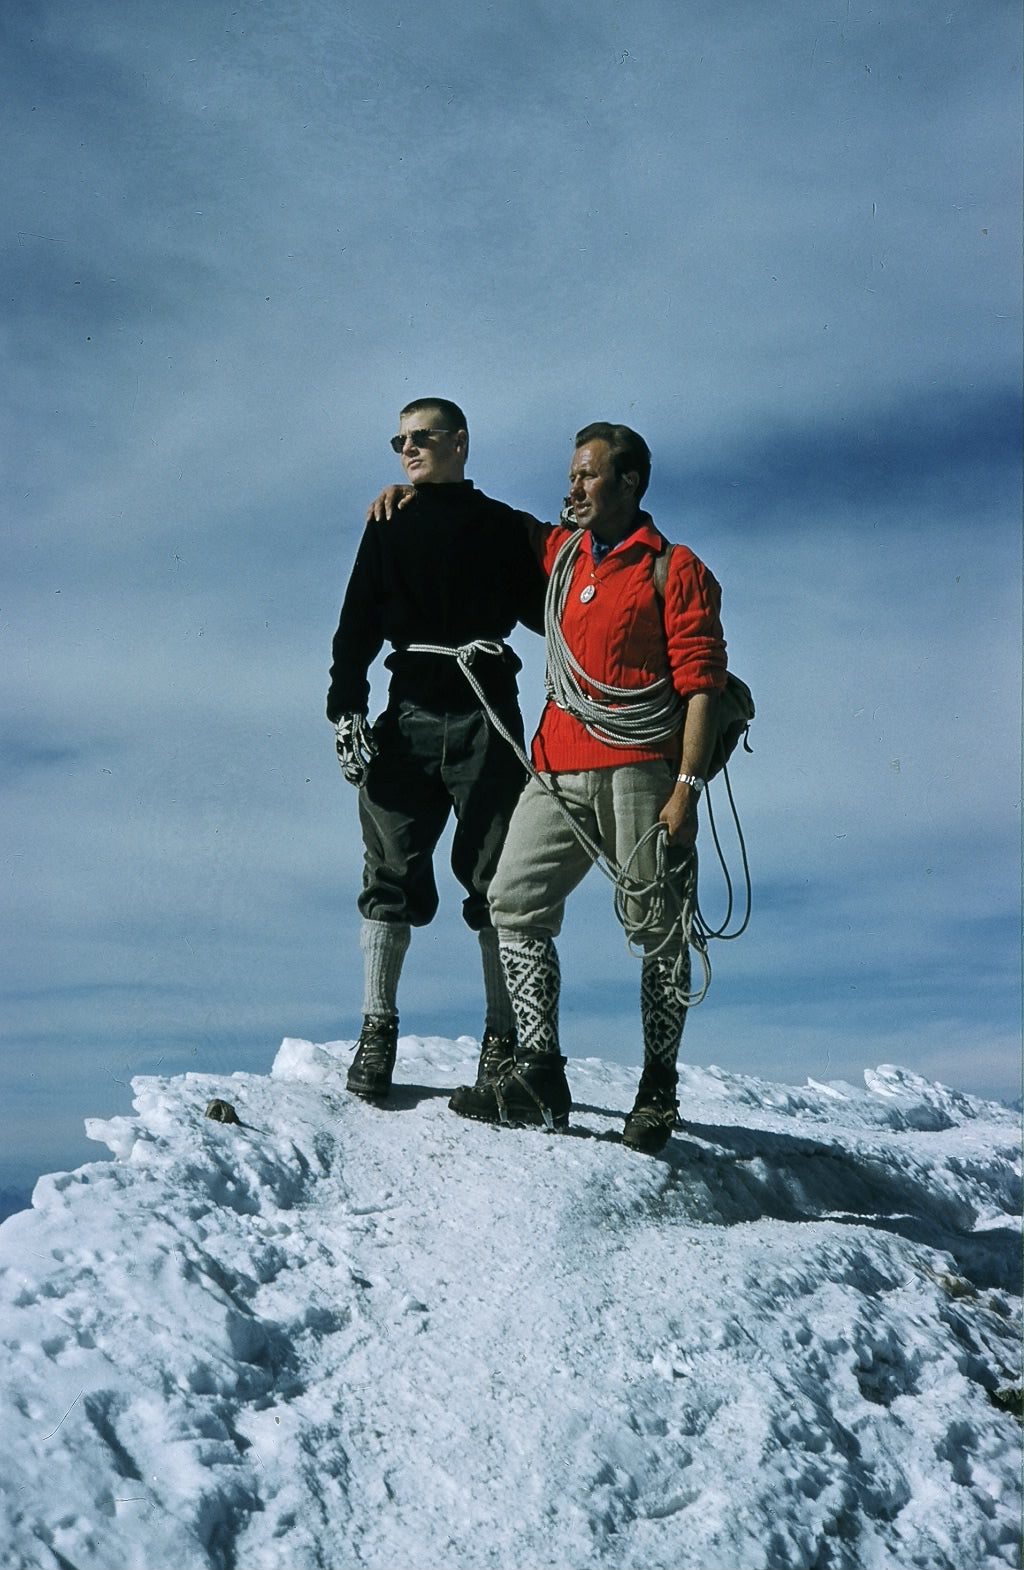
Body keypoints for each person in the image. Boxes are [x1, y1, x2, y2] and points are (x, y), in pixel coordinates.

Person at [445, 423, 728, 1154]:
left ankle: (657, 1088)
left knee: (656, 923)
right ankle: (541, 1074)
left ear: (629, 484)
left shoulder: (674, 569)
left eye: (588, 476)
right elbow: (489, 518)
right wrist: (414, 491)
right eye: (572, 476)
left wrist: (687, 791)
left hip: (641, 767)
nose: (572, 488)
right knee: (513, 899)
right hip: (557, 761)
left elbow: (702, 687)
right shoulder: (562, 555)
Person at [326, 398, 547, 1101]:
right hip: (408, 714)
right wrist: (345, 707)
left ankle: (501, 1041)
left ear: (460, 443)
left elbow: (554, 610)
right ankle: (377, 1030)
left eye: (422, 437)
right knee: (387, 871)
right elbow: (356, 619)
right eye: (399, 440)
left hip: (490, 718)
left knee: (498, 882)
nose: (407, 450)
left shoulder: (505, 527)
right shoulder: (389, 524)